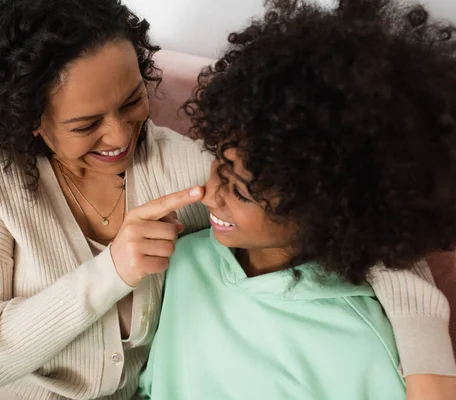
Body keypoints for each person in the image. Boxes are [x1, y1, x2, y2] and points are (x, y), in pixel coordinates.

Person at [0, 0, 455, 399]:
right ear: (31, 124)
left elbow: (345, 207)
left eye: (131, 101)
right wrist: (112, 271)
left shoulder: (190, 165)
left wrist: (430, 366)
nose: (122, 136)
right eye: (86, 125)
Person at [138, 0, 456, 399]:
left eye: (240, 192)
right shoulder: (183, 262)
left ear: (326, 214)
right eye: (220, 162)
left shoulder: (359, 344)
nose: (212, 197)